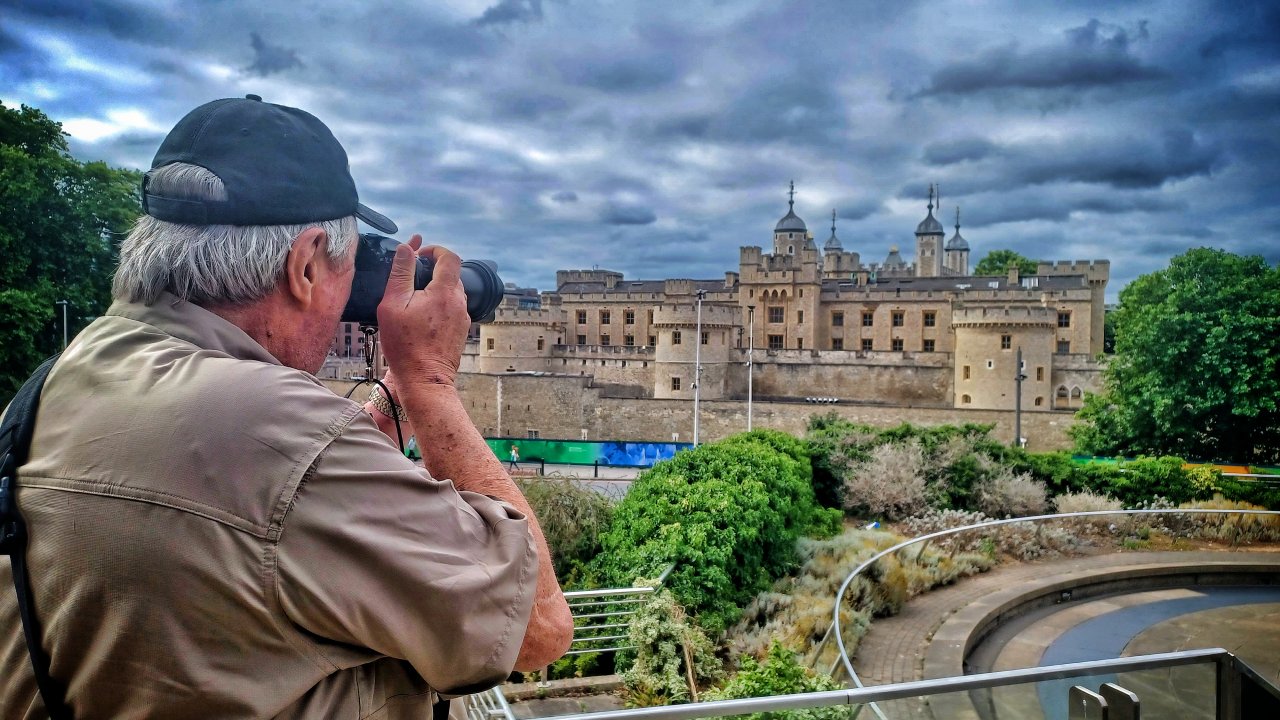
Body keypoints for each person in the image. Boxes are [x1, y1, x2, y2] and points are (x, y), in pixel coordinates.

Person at [0, 95, 572, 719]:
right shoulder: (287, 437)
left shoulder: (51, 388)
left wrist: (388, 395)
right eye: (347, 270)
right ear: (303, 266)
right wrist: (428, 380)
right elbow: (538, 628)